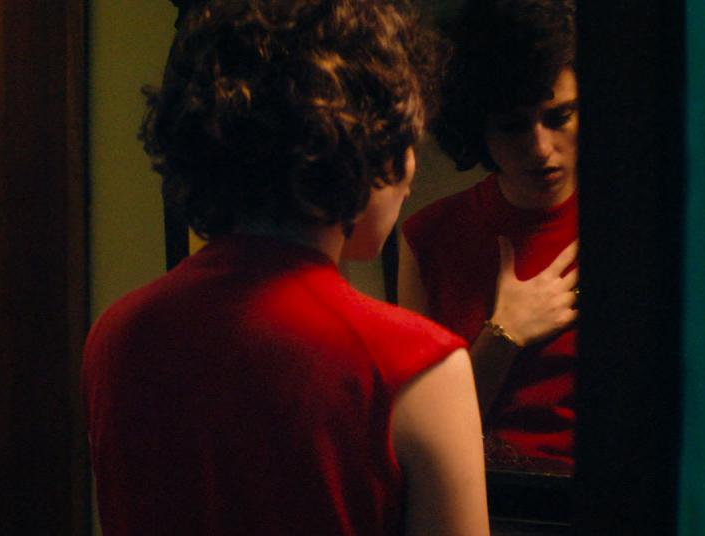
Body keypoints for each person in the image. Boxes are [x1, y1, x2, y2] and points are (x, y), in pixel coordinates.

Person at [82, 1, 488, 534]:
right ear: (364, 147)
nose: (410, 175)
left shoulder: (115, 334)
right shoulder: (417, 366)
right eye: (404, 140)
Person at [399, 0, 579, 471]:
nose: (541, 148)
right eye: (513, 126)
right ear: (478, 127)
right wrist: (503, 335)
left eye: (559, 117)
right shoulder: (430, 236)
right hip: (481, 493)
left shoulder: (636, 220)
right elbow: (421, 434)